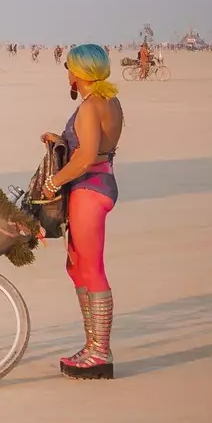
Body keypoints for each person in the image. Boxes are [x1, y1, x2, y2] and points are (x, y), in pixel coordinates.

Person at [40, 44, 125, 379]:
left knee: (91, 270)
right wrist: (60, 140)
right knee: (77, 267)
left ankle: (100, 353)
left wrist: (53, 181)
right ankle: (91, 346)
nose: (68, 73)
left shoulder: (90, 107)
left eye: (69, 68)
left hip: (89, 190)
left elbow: (87, 155)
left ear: (79, 73)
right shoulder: (111, 101)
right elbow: (97, 145)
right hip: (101, 184)